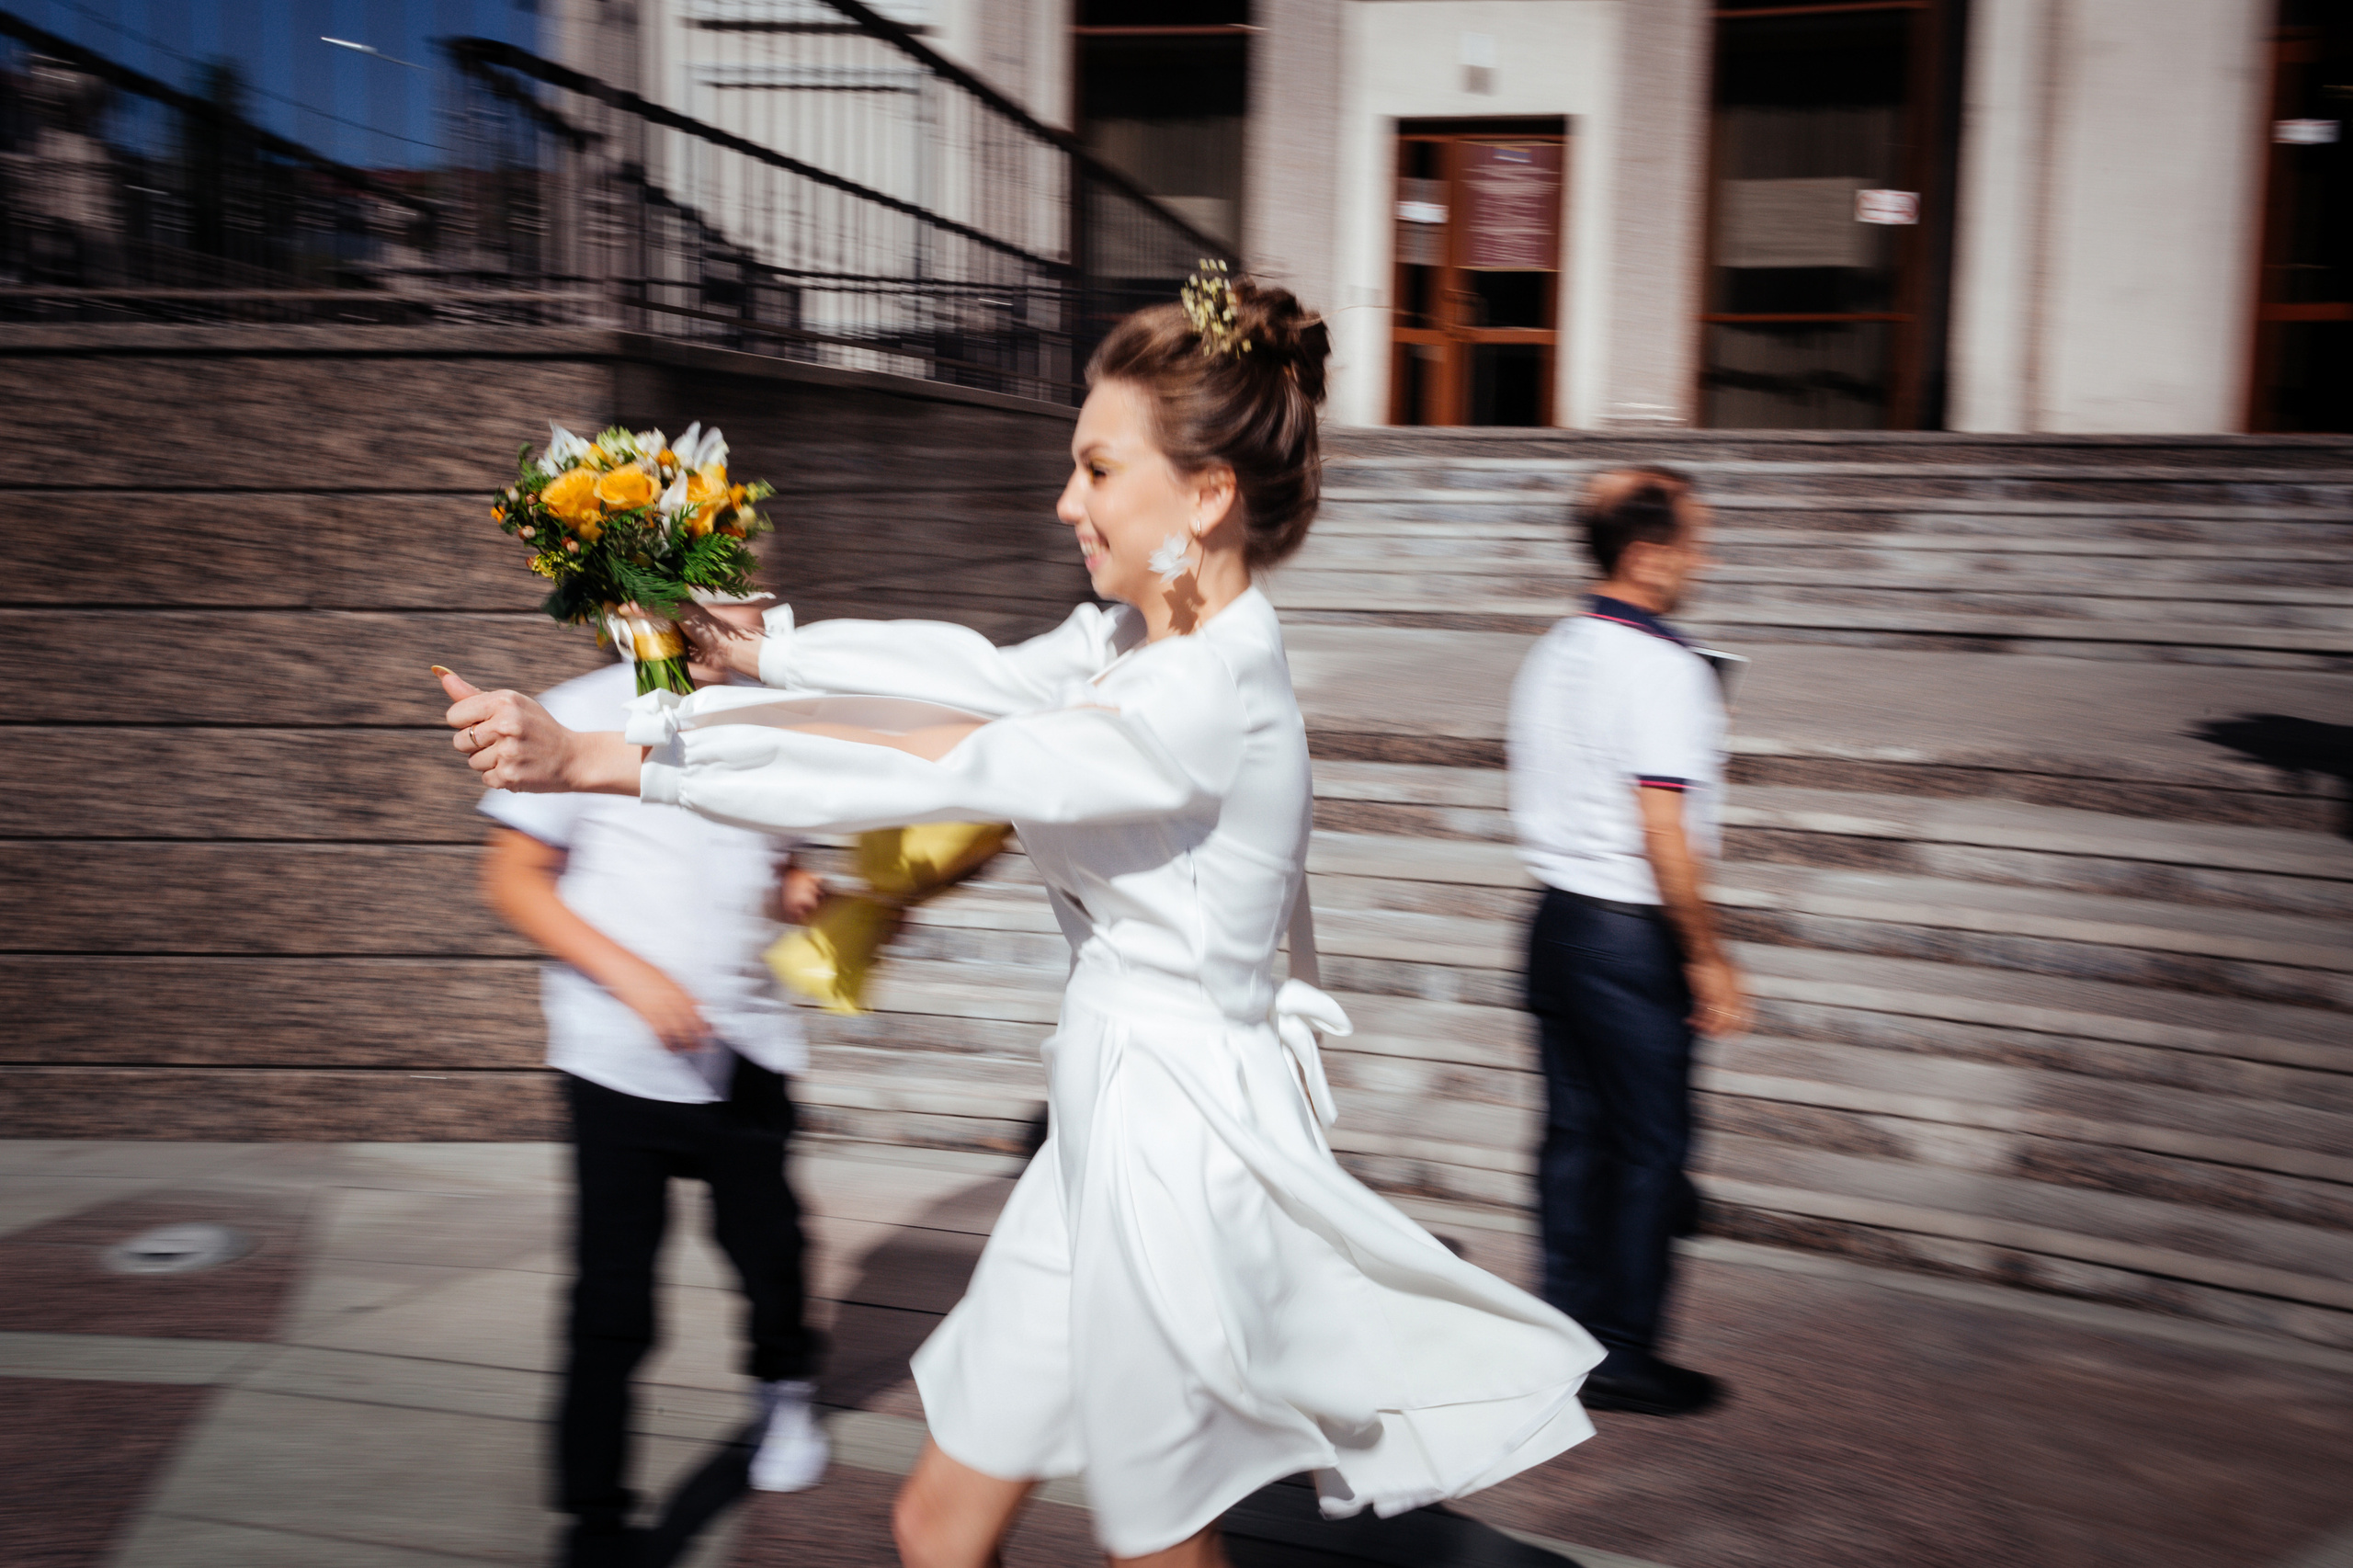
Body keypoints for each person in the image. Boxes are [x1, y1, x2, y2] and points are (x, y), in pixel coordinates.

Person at [438, 274, 1603, 1568]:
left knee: (1158, 1546)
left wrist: (614, 759)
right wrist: (750, 650)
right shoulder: (1132, 640)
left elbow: (949, 761)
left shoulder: (1205, 692)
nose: (1068, 502)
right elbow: (977, 676)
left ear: (1206, 493)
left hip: (1178, 1144)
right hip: (1104, 1120)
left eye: (1099, 470)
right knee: (938, 1523)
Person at [472, 599, 830, 1568]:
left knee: (771, 1254)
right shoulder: (580, 712)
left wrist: (794, 887)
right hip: (616, 1066)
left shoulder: (764, 721)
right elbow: (512, 879)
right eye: (721, 599)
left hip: (746, 1048)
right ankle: (595, 1522)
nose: (747, 615)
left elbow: (775, 854)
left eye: (753, 597)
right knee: (613, 1302)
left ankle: (784, 1387)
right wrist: (633, 975)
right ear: (646, 610)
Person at [1506, 466, 1754, 1420]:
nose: (1705, 557)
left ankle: (1569, 1327)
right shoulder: (1667, 670)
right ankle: (1625, 1346)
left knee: (1573, 1137)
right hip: (1625, 932)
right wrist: (1707, 953)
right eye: (1695, 538)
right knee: (1652, 1144)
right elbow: (1663, 830)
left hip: (1554, 921)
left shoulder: (1557, 647)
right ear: (1646, 554)